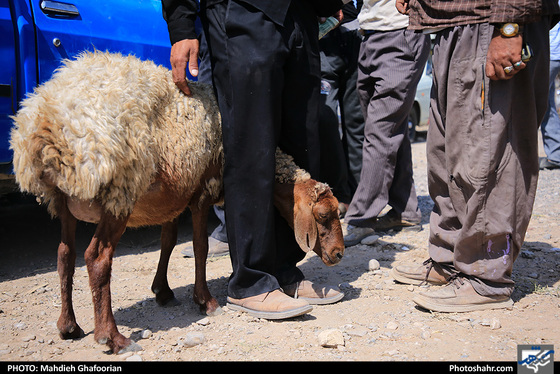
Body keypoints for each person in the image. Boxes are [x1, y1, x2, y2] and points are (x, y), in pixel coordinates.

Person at [161, 0, 347, 320]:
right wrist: (181, 26)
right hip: (242, 13)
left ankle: (283, 268)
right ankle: (251, 280)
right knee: (252, 148)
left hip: (300, 17)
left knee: (298, 147)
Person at [392, 0, 560, 312]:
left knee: (487, 152)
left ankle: (485, 275)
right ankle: (451, 258)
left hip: (495, 21)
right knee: (447, 155)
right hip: (455, 21)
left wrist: (509, 28)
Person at [343, 0, 430, 247]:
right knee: (390, 128)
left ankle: (362, 218)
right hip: (369, 36)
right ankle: (405, 210)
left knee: (380, 131)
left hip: (401, 33)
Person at [317, 1, 364, 215]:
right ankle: (336, 192)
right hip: (323, 39)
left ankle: (357, 195)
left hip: (356, 37)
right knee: (325, 122)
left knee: (356, 124)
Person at [540, 20, 560, 170]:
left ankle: (518, 152)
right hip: (551, 51)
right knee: (545, 102)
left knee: (534, 101)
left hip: (551, 50)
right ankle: (555, 154)